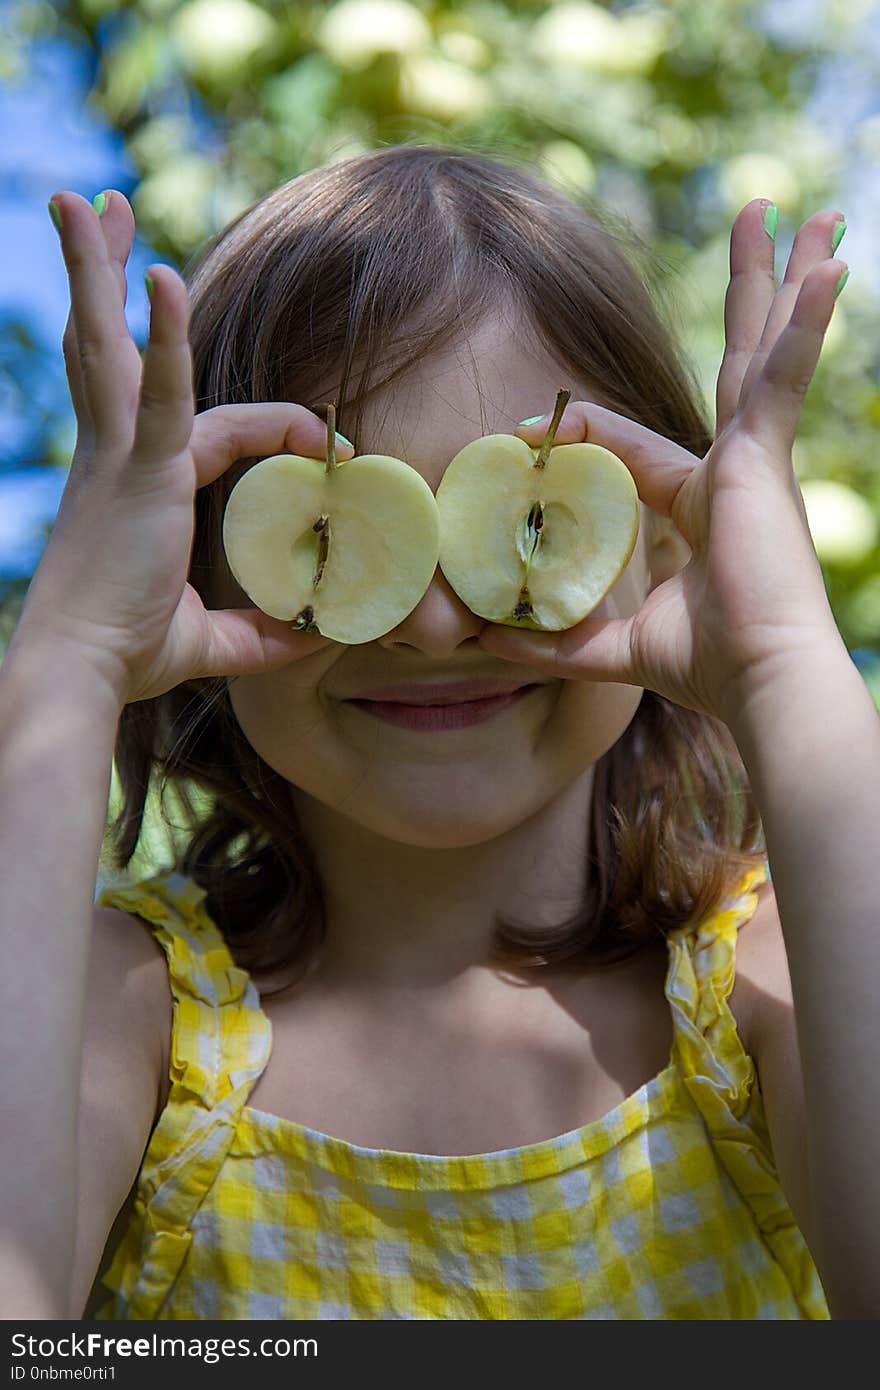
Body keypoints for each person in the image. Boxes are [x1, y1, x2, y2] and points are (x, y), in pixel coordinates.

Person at [1, 143, 877, 1323]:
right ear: (197, 572)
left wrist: (782, 662)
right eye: (331, 537)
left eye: (520, 521)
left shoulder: (769, 992)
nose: (430, 622)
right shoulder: (130, 1021)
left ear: (664, 547)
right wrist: (68, 666)